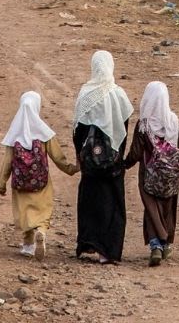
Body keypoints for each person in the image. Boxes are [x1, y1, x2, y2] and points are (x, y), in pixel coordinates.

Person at [70, 49, 135, 263]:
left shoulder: (86, 94)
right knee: (113, 201)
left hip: (90, 160)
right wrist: (119, 158)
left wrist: (80, 156)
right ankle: (108, 251)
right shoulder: (119, 95)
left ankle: (89, 243)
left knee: (90, 200)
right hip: (113, 160)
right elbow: (124, 129)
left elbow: (78, 130)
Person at [124, 80, 179, 266]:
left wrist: (122, 166)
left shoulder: (144, 125)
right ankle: (166, 244)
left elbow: (135, 152)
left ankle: (156, 244)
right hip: (171, 176)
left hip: (148, 176)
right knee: (168, 210)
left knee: (152, 210)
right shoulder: (173, 121)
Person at [0, 90, 76, 259]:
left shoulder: (14, 133)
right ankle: (42, 231)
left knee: (25, 213)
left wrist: (1, 184)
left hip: (21, 185)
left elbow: (7, 162)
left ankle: (28, 245)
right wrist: (71, 169)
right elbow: (58, 158)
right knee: (43, 211)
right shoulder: (44, 133)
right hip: (41, 183)